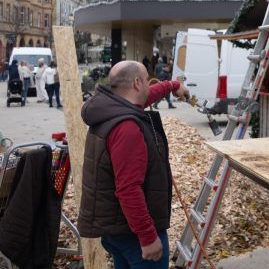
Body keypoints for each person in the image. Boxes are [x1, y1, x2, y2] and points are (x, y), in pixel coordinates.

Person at [78, 61, 188, 267]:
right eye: (146, 80)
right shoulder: (127, 127)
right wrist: (148, 237)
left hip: (118, 229)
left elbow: (148, 95)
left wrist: (173, 86)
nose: (148, 84)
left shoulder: (111, 108)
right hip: (133, 233)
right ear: (137, 83)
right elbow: (128, 189)